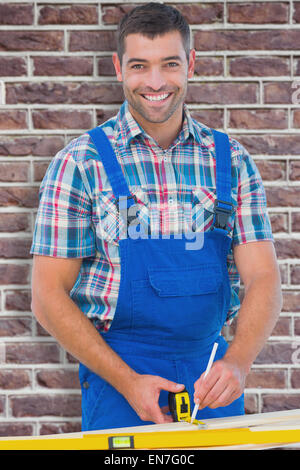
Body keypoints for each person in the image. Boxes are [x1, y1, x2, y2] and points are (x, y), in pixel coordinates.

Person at [30, 2, 282, 431]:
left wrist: (237, 363)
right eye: (139, 66)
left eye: (169, 64)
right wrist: (128, 382)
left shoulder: (232, 161)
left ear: (191, 64)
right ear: (117, 67)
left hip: (210, 379)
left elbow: (264, 277)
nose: (155, 82)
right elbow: (47, 295)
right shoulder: (81, 162)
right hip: (118, 379)